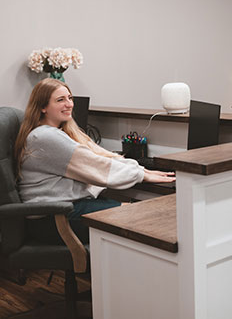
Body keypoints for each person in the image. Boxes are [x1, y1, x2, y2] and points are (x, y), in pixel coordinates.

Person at [15, 78, 175, 244]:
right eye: (60, 100)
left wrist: (142, 170)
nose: (69, 104)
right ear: (43, 107)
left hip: (65, 208)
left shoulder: (54, 132)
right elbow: (95, 165)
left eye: (70, 98)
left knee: (136, 210)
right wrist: (141, 174)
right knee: (140, 215)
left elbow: (99, 156)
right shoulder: (46, 137)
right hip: (53, 218)